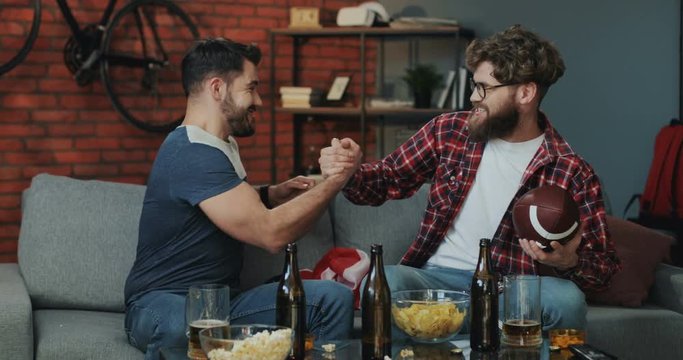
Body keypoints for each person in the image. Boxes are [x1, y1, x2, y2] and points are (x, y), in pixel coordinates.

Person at [320, 25, 620, 331]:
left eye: (483, 88)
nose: (473, 97)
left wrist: (569, 261)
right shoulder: (449, 131)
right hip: (438, 280)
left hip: (512, 289)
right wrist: (349, 170)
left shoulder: (571, 170)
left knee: (566, 300)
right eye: (474, 86)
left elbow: (604, 269)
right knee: (391, 280)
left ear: (525, 93)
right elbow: (385, 179)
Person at [124, 38, 356, 359]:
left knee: (332, 298)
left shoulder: (222, 145)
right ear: (217, 88)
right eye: (251, 88)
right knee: (184, 327)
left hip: (224, 304)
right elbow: (270, 234)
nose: (259, 100)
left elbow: (218, 202)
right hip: (162, 301)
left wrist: (269, 194)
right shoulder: (191, 151)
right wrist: (335, 181)